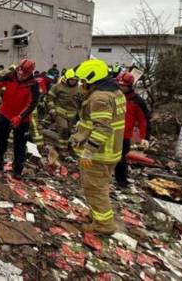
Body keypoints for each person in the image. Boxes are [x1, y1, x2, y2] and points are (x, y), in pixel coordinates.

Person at [70, 59, 125, 235]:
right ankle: (96, 215)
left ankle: (103, 226)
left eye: (83, 81)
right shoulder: (116, 93)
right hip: (112, 151)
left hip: (99, 154)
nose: (81, 85)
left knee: (95, 188)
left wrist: (88, 152)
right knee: (99, 186)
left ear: (91, 80)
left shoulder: (99, 98)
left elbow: (103, 128)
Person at [0, 58, 40, 178]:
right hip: (5, 114)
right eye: (20, 71)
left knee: (19, 145)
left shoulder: (33, 85)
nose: (21, 75)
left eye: (24, 73)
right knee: (1, 140)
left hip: (22, 119)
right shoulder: (10, 76)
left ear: (30, 73)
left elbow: (31, 104)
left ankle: (18, 170)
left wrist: (20, 117)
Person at [114, 72, 151, 188]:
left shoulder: (137, 101)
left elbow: (144, 120)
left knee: (121, 159)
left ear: (129, 86)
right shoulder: (113, 96)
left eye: (123, 86)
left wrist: (144, 137)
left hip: (124, 135)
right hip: (110, 131)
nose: (120, 88)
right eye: (119, 85)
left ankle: (121, 181)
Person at [46, 69, 82, 153]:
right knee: (64, 129)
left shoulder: (79, 88)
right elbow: (49, 98)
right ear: (66, 79)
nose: (73, 82)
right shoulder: (57, 86)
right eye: (71, 80)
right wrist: (52, 108)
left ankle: (62, 147)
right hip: (60, 112)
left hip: (72, 115)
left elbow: (82, 103)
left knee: (69, 133)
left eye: (75, 80)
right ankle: (62, 151)